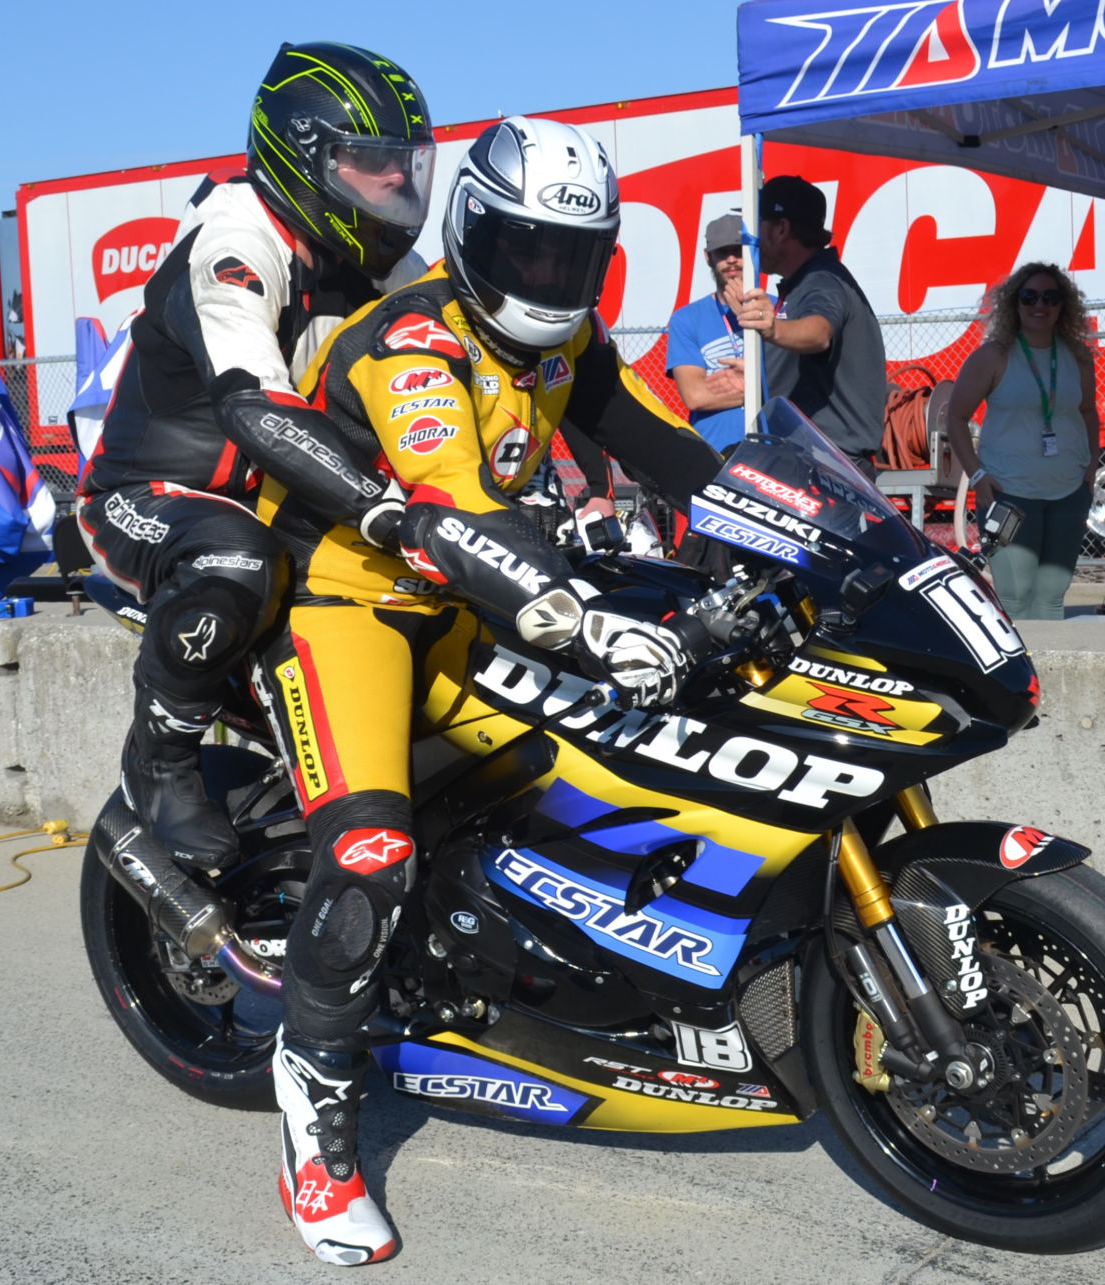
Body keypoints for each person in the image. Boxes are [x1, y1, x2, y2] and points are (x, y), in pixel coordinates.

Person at [253, 116, 723, 1266]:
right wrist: (582, 618)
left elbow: (678, 450)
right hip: (342, 606)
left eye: (573, 257)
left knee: (620, 756)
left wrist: (817, 538)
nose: (548, 278)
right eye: (525, 252)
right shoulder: (412, 344)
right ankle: (315, 1102)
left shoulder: (567, 346)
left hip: (473, 611)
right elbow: (457, 506)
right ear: (471, 236)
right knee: (370, 852)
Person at [77, 43, 436, 868]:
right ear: (304, 157)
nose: (397, 187)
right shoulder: (235, 238)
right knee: (240, 559)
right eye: (372, 165)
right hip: (158, 493)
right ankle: (160, 762)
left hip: (290, 496)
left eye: (406, 166)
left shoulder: (386, 263)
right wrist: (385, 507)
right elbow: (251, 405)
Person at [942, 262, 1100, 619]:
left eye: (1050, 297)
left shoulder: (1077, 357)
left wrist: (1090, 467)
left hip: (1067, 492)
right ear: (1015, 303)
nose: (1039, 305)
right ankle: (1024, 675)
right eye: (1029, 297)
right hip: (1008, 494)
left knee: (1051, 598)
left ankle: (1049, 674)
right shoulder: (993, 356)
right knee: (1015, 598)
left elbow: (1088, 412)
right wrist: (977, 476)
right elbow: (955, 417)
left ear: (1064, 305)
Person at [736, 176, 887, 473]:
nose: (750, 239)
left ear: (781, 229)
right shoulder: (806, 282)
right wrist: (757, 370)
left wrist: (772, 329)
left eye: (757, 226)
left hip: (825, 465)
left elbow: (819, 332)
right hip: (815, 459)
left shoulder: (822, 281)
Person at [666, 212, 754, 452]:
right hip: (715, 451)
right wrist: (763, 388)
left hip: (774, 449)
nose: (732, 260)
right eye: (722, 252)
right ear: (708, 257)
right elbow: (695, 396)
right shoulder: (687, 319)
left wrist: (744, 384)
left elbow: (793, 389)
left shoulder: (777, 310)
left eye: (738, 250)